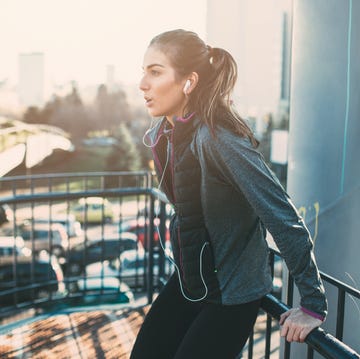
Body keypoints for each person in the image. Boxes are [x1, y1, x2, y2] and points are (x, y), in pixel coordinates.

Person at [131, 29, 327, 359]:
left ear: (188, 82)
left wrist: (312, 303)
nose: (142, 84)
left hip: (232, 293)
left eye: (155, 71)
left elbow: (282, 216)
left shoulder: (218, 139)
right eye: (143, 71)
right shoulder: (163, 133)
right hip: (193, 281)